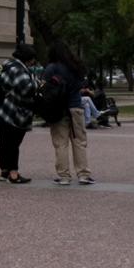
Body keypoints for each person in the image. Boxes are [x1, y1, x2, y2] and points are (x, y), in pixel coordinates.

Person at [45, 41, 95, 185]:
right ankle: (83, 173)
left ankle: (64, 175)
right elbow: (81, 86)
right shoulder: (75, 67)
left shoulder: (51, 68)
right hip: (75, 107)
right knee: (79, 141)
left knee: (61, 143)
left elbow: (45, 87)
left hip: (57, 109)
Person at [0, 43, 38, 184]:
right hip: (14, 112)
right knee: (13, 143)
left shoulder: (7, 65)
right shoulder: (18, 70)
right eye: (32, 59)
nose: (33, 62)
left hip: (0, 110)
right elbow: (26, 89)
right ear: (28, 58)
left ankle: (4, 170)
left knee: (4, 142)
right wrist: (36, 83)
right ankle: (14, 174)